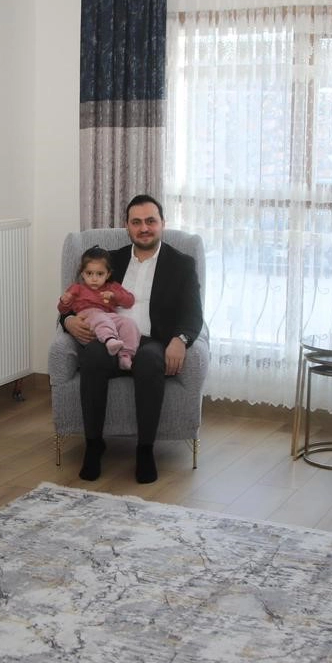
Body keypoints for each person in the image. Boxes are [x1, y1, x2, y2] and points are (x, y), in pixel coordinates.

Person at [60, 195, 204, 484]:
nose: (144, 228)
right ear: (127, 226)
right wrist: (68, 321)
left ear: (162, 224)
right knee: (92, 356)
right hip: (109, 336)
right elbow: (74, 298)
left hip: (153, 341)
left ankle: (145, 449)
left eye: (150, 221)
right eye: (136, 222)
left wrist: (181, 339)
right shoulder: (110, 260)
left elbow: (193, 314)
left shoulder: (181, 264)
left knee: (150, 361)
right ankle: (94, 445)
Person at [57, 246, 138, 371]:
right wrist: (64, 301)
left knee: (128, 323)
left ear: (108, 274)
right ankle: (110, 340)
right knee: (99, 317)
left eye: (100, 274)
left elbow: (130, 301)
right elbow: (63, 311)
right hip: (87, 321)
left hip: (108, 317)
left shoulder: (112, 287)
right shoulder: (77, 288)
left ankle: (125, 356)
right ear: (82, 273)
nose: (94, 279)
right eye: (89, 273)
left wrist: (115, 296)